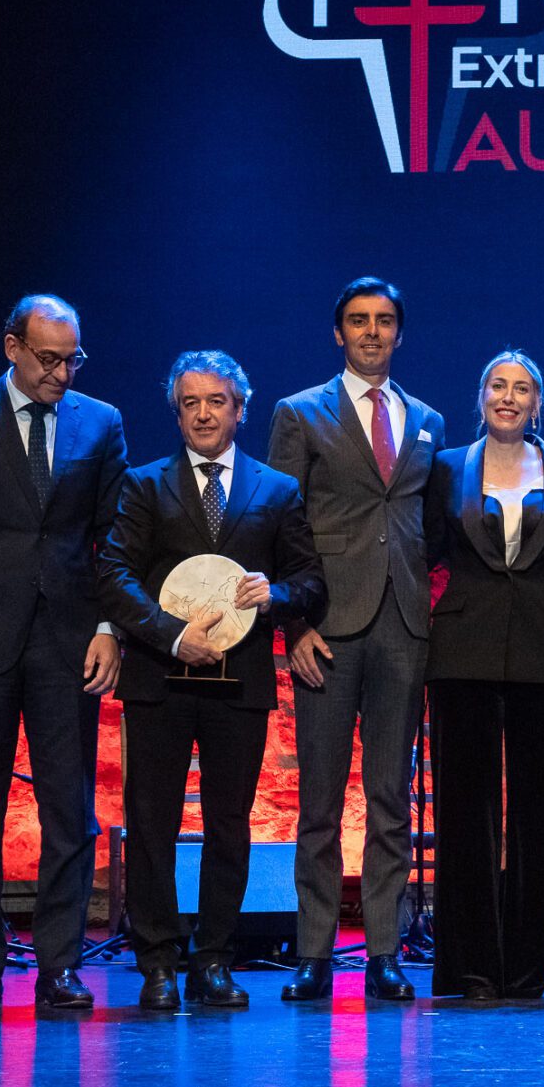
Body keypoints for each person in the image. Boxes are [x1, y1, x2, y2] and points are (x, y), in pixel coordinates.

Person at [0, 294, 127, 1014]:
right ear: (13, 348)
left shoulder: (101, 422)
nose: (61, 374)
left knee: (69, 808)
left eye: (72, 360)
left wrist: (109, 627)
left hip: (68, 637)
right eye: (48, 359)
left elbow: (114, 538)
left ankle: (60, 966)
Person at [98, 350, 326, 1011]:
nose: (203, 413)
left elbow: (310, 580)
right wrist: (172, 633)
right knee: (152, 822)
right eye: (190, 403)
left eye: (216, 401)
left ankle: (214, 960)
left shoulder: (276, 490)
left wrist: (276, 594)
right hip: (159, 676)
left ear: (240, 409)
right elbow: (114, 574)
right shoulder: (144, 484)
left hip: (240, 680)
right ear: (176, 413)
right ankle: (157, 962)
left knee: (230, 823)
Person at [267, 277, 445, 1002]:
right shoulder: (299, 412)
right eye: (358, 320)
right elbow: (278, 523)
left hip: (403, 626)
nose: (372, 331)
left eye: (384, 320)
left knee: (390, 798)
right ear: (338, 332)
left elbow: (430, 526)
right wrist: (296, 625)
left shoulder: (426, 418)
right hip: (327, 629)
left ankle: (383, 952)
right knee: (318, 801)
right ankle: (314, 951)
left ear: (400, 332)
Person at [423, 350, 544, 1000]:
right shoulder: (445, 467)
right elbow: (421, 551)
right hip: (461, 652)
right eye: (497, 386)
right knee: (466, 813)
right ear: (481, 396)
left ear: (537, 403)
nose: (508, 397)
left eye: (521, 389)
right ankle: (472, 967)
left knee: (542, 813)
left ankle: (528, 969)